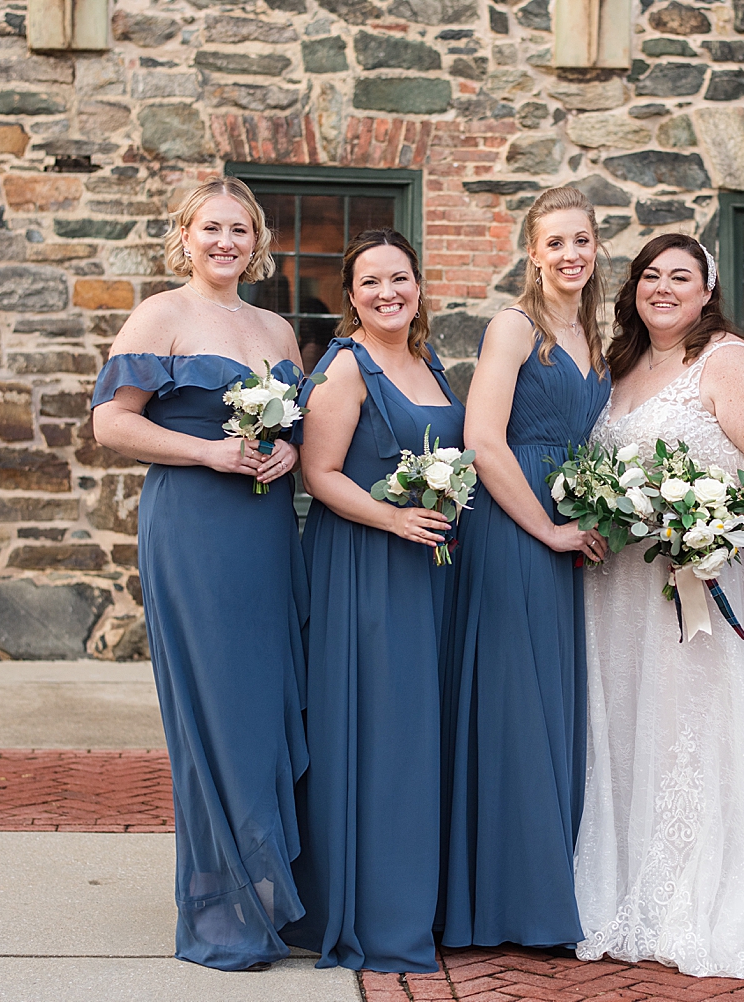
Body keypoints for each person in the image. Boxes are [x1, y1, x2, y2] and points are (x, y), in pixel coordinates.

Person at [574, 233, 744, 980]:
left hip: (704, 583)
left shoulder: (730, 361)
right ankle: (626, 887)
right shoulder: (618, 365)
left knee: (694, 724)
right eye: (650, 275)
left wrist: (708, 533)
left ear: (707, 291)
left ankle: (709, 897)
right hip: (619, 586)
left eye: (680, 277)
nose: (663, 288)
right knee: (627, 726)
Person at [91, 176, 308, 971]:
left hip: (265, 526)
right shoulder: (161, 315)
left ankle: (272, 888)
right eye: (211, 227)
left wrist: (287, 451)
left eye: (240, 229)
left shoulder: (278, 328)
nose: (226, 242)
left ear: (258, 242)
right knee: (214, 707)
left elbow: (298, 424)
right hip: (193, 524)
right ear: (184, 236)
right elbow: (112, 423)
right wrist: (209, 451)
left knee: (270, 699)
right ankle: (222, 909)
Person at [282, 230, 464, 972]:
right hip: (365, 566)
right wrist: (393, 518)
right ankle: (372, 911)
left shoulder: (430, 361)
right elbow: (316, 473)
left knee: (423, 732)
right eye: (370, 283)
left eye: (400, 279)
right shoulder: (344, 368)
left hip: (433, 571)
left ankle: (419, 899)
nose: (388, 293)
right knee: (382, 735)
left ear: (419, 285)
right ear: (350, 297)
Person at [442, 186, 612, 949]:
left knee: (557, 703)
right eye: (556, 243)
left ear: (595, 246)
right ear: (532, 253)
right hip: (517, 529)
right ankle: (510, 903)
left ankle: (547, 886)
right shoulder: (515, 327)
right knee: (518, 704)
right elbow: (482, 438)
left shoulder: (597, 337)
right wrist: (546, 528)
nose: (570, 254)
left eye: (582, 240)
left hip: (573, 531)